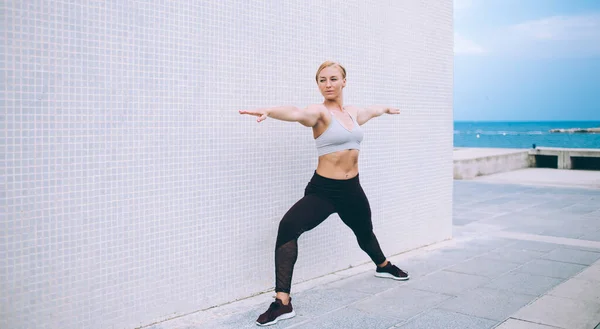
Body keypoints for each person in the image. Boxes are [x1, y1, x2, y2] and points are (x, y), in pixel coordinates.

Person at [239, 61, 410, 327]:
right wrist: (269, 111)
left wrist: (386, 109)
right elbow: (295, 113)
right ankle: (282, 301)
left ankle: (383, 265)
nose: (327, 84)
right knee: (288, 227)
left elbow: (371, 111)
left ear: (344, 81)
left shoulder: (352, 113)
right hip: (325, 191)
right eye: (322, 80)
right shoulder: (318, 113)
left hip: (352, 189)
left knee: (365, 232)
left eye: (333, 79)